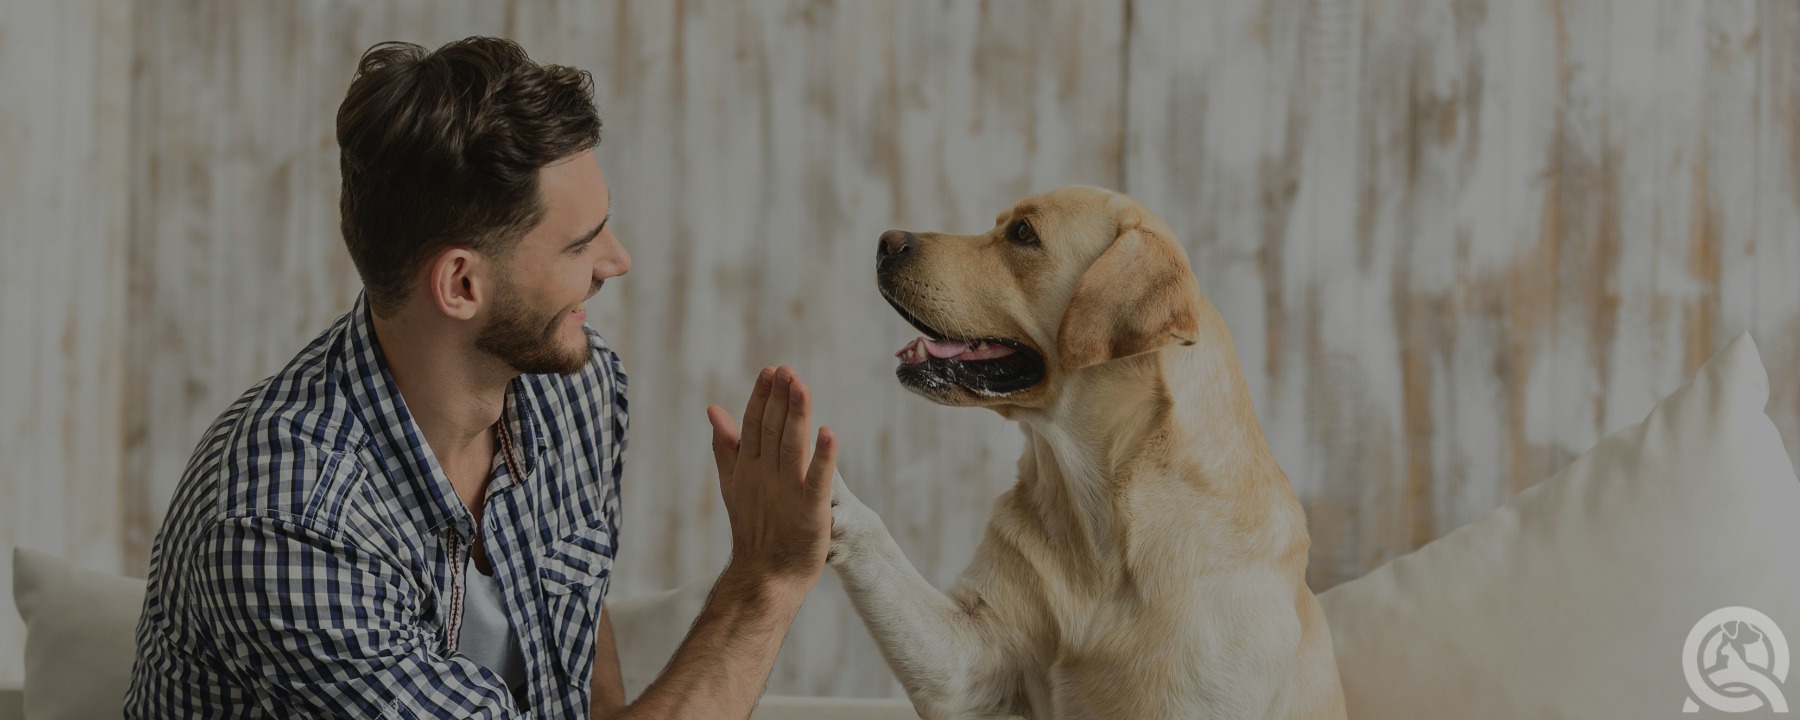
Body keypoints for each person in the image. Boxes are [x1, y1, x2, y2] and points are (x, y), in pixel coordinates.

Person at [124, 36, 838, 719]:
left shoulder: (575, 391)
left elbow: (577, 642)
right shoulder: (287, 522)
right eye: (581, 243)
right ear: (462, 284)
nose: (615, 261)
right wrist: (763, 583)